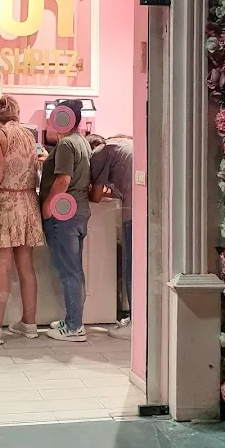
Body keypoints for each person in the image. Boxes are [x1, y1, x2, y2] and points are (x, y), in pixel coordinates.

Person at [0, 96, 44, 345]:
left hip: (6, 203)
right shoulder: (29, 135)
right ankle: (29, 323)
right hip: (27, 202)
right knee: (26, 267)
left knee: (1, 268)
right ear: (17, 112)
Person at [39, 98, 92, 342]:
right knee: (75, 269)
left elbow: (63, 180)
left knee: (68, 270)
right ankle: (74, 319)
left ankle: (73, 326)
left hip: (63, 213)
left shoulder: (66, 145)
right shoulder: (82, 142)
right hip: (79, 210)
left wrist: (47, 207)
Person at [90, 134, 134, 340]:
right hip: (143, 208)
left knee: (131, 266)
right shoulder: (123, 146)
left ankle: (135, 323)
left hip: (133, 212)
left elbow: (96, 195)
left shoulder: (100, 153)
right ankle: (138, 317)